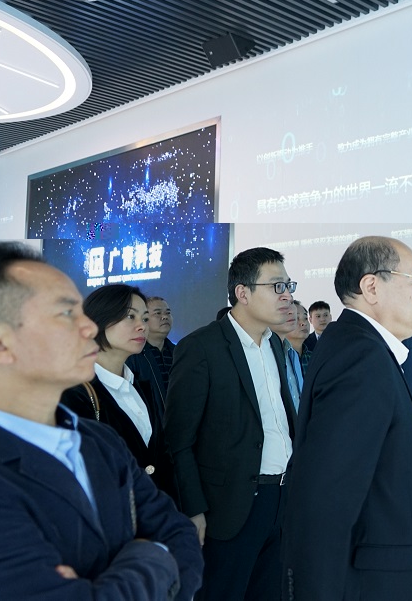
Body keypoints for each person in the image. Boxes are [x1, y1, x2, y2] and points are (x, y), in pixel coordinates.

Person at [0, 242, 202, 600]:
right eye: (66, 313)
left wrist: (111, 578)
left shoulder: (99, 441)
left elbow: (179, 535)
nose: (89, 327)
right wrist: (153, 555)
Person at [282, 236, 412, 600]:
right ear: (371, 286)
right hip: (373, 583)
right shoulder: (361, 356)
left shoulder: (361, 345)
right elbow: (326, 499)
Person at [165, 247, 297, 600]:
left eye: (289, 286)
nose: (286, 295)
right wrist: (193, 508)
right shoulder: (201, 347)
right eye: (277, 286)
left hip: (281, 498)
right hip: (229, 505)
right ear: (243, 292)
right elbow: (179, 438)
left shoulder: (276, 345)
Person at [61, 284, 176, 499]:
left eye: (144, 318)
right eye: (130, 317)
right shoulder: (73, 392)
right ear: (98, 321)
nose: (142, 326)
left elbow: (162, 460)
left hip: (156, 512)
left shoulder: (140, 387)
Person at [127, 296, 175, 419]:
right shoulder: (133, 356)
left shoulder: (179, 352)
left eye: (168, 313)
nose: (165, 317)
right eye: (158, 313)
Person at [272, 300, 305, 410]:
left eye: (291, 303)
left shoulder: (292, 353)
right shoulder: (262, 353)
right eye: (282, 306)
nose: (291, 311)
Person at [287, 300, 313, 377]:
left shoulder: (314, 358)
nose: (304, 323)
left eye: (305, 318)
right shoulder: (277, 357)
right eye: (296, 318)